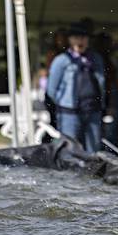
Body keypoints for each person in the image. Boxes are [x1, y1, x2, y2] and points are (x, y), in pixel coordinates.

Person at [46, 22, 106, 152]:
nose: (80, 41)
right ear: (70, 40)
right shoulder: (62, 60)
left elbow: (101, 83)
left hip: (92, 108)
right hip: (69, 111)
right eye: (76, 38)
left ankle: (91, 171)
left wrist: (102, 103)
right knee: (69, 146)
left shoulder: (95, 58)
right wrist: (63, 103)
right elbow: (51, 88)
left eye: (83, 38)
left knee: (93, 147)